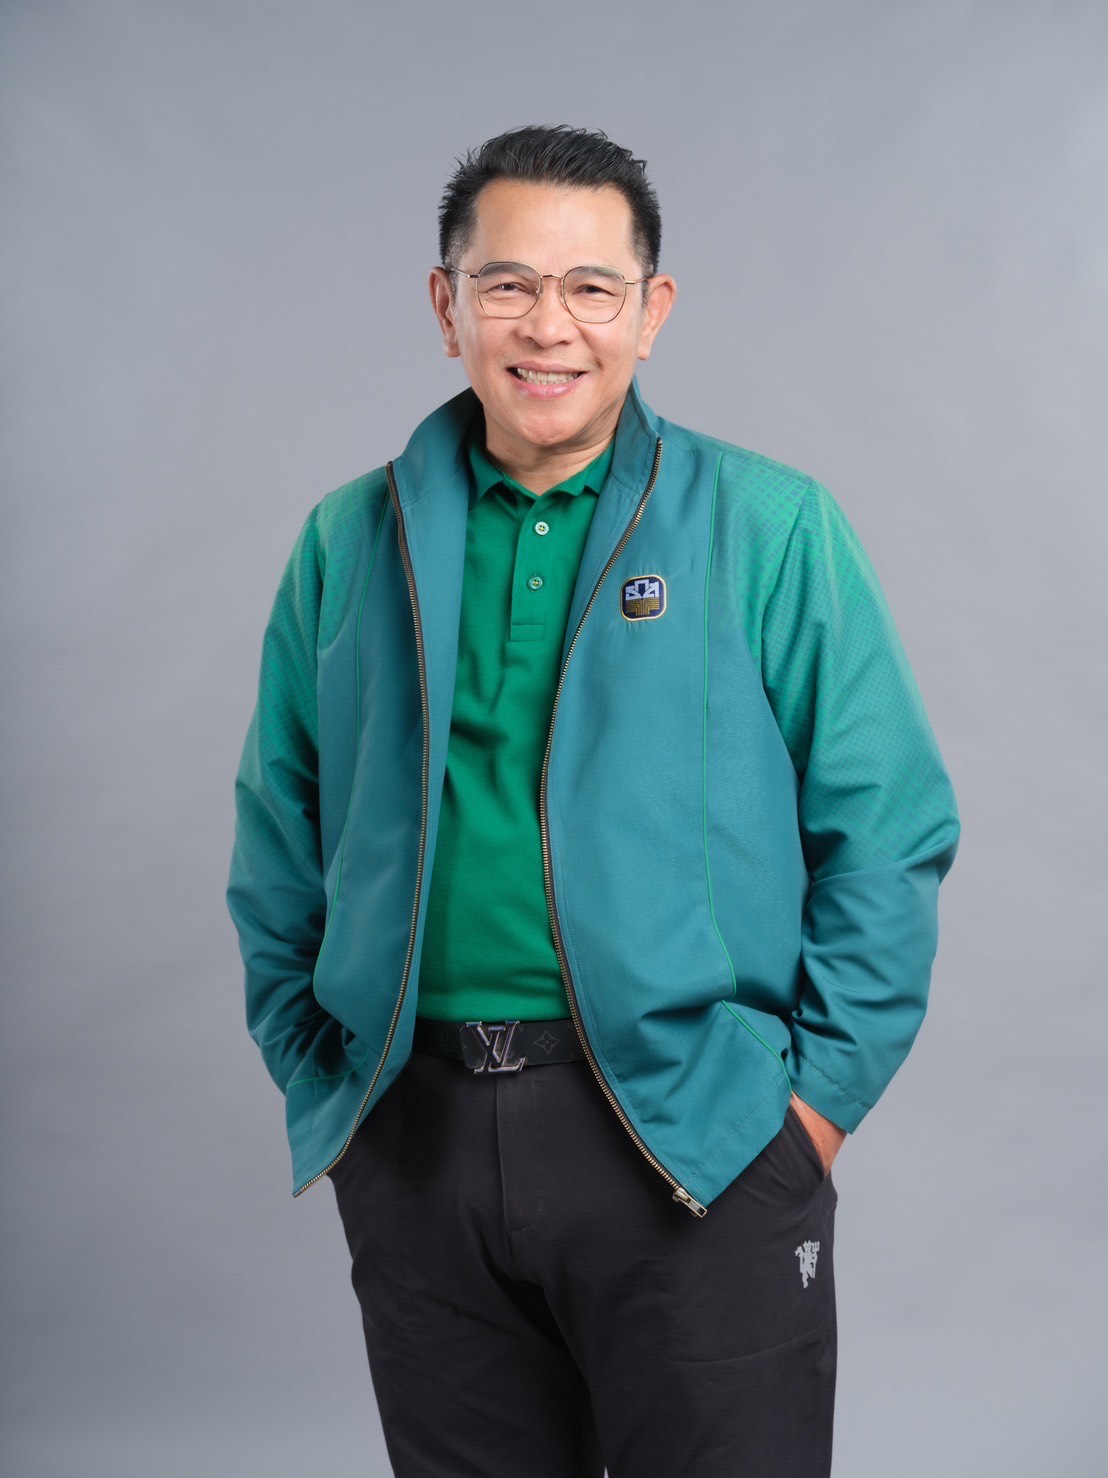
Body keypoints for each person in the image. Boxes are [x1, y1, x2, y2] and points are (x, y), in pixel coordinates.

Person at [228, 124, 959, 1478]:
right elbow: (280, 832)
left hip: (696, 1135)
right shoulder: (347, 539)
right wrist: (327, 1084)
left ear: (651, 310)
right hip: (417, 1138)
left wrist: (808, 1116)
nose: (548, 326)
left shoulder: (769, 525)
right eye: (507, 284)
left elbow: (888, 829)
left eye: (591, 288)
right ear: (446, 305)